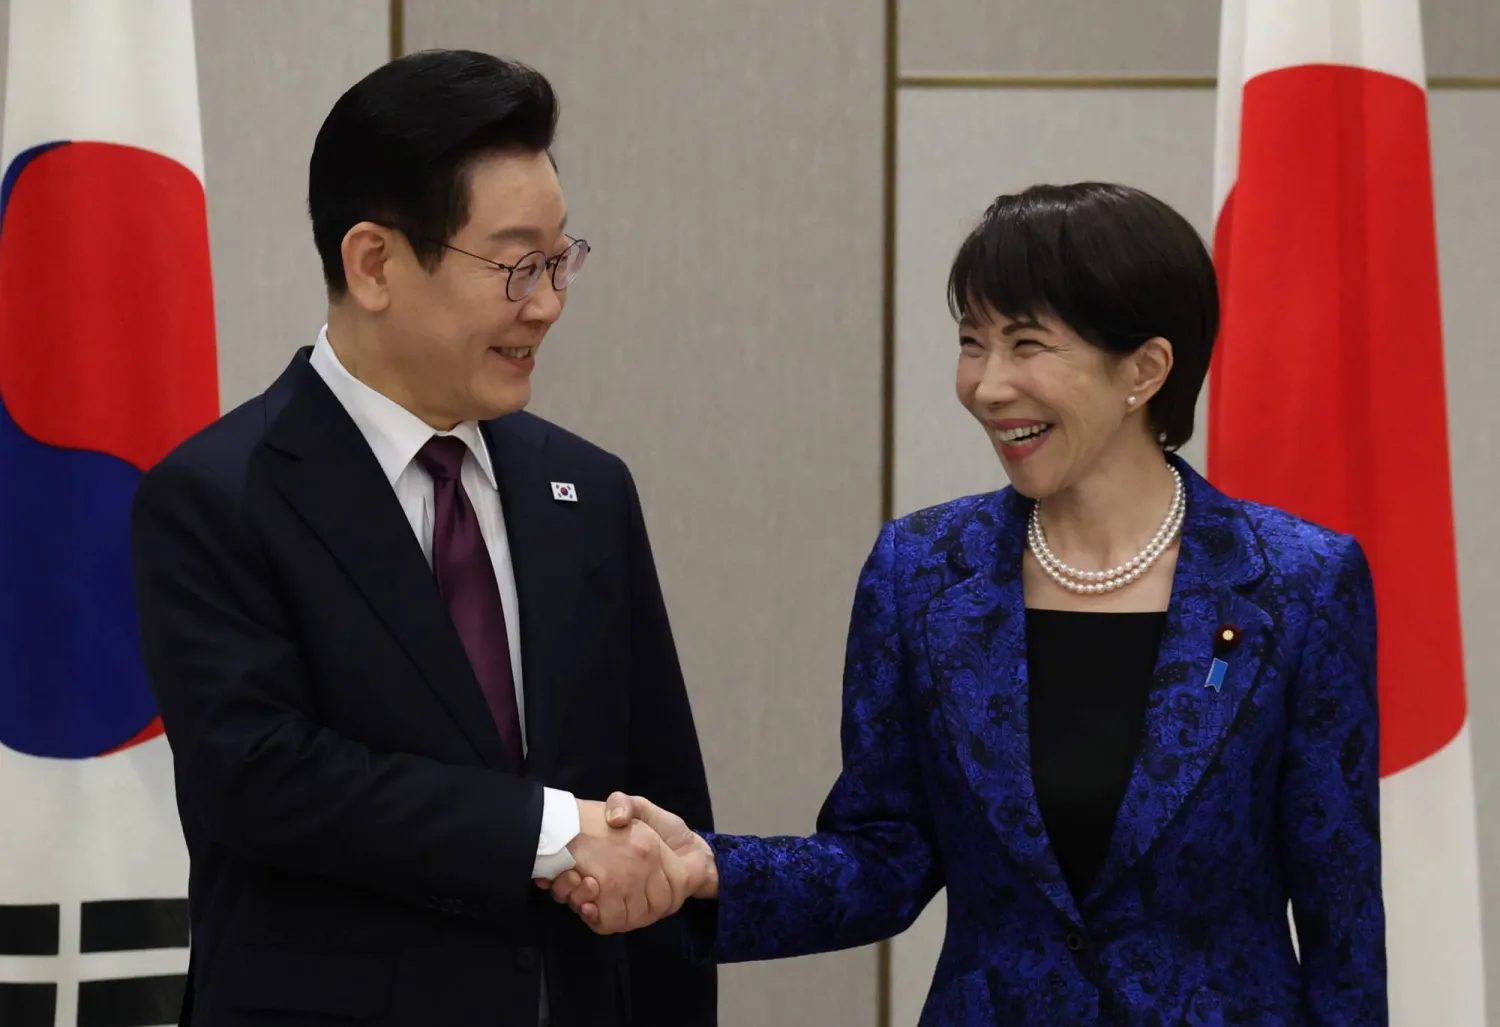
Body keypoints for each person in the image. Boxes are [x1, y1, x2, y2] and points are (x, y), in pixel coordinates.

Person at [546, 182, 1387, 1025]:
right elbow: (885, 858)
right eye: (972, 343)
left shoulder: (1298, 583)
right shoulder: (921, 573)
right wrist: (708, 869)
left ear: (1145, 369)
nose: (986, 386)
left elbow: (1341, 917)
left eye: (1026, 344)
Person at [131, 50, 714, 1027]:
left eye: (561, 259)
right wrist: (551, 829)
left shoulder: (588, 491)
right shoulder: (215, 496)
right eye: (517, 264)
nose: (549, 303)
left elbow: (654, 805)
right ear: (374, 264)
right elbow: (263, 776)